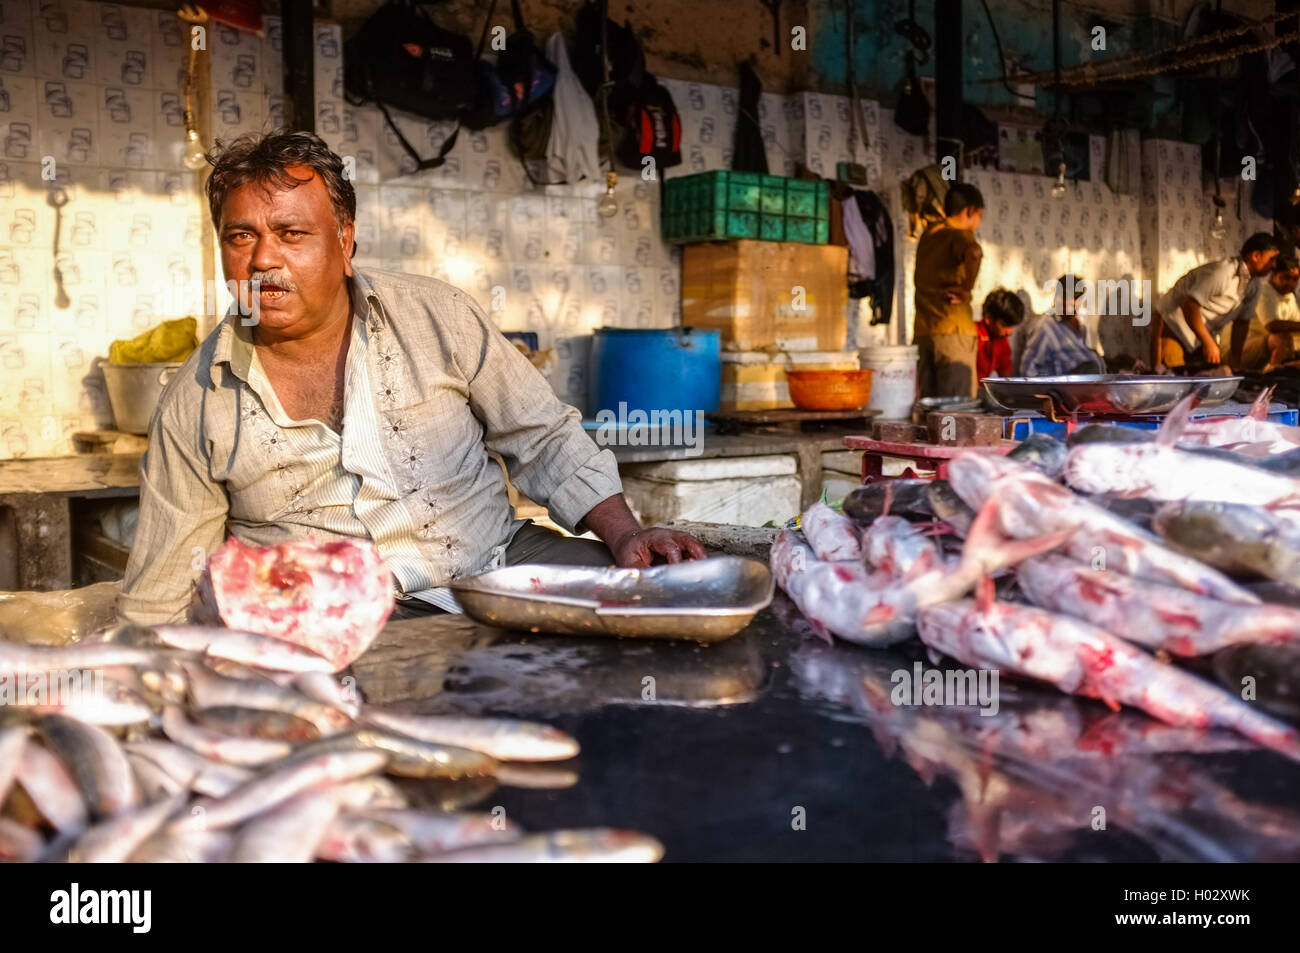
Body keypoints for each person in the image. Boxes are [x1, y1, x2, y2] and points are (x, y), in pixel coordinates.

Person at [118, 131, 706, 625]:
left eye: (292, 234)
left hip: (494, 566)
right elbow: (165, 587)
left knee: (669, 609)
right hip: (326, 621)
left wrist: (625, 533)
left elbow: (543, 437)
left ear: (345, 242)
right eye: (241, 236)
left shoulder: (437, 315)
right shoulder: (194, 401)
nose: (263, 259)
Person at [1150, 232, 1280, 370]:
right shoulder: (1223, 271)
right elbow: (1189, 304)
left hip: (1198, 338)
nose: (1274, 265)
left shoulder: (1254, 285)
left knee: (1207, 381)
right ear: (1256, 256)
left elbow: (1241, 324)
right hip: (1173, 327)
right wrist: (1208, 343)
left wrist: (1235, 362)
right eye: (1272, 259)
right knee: (1172, 381)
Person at [912, 182, 984, 398]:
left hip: (924, 332)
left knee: (928, 409)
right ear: (969, 211)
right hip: (953, 333)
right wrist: (966, 289)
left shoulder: (929, 234)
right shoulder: (960, 234)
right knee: (956, 410)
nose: (978, 222)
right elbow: (974, 253)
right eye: (979, 215)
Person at [1018, 274, 1105, 377]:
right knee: (1091, 367)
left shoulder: (1082, 323)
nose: (1068, 309)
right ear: (1056, 298)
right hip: (1062, 387)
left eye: (1073, 305)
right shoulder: (1044, 327)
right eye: (1064, 304)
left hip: (1090, 384)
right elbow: (1028, 370)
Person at [1237, 255, 1300, 370]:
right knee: (1282, 338)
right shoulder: (1263, 290)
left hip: (1266, 348)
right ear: (1273, 275)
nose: (1290, 283)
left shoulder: (1289, 295)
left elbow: (1296, 325)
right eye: (1285, 277)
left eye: (1295, 279)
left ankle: (1284, 372)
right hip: (1241, 350)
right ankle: (1273, 376)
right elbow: (1272, 325)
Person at [976, 289, 1023, 379]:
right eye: (1004, 325)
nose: (1009, 331)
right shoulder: (973, 336)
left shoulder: (1001, 341)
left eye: (1011, 326)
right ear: (988, 318)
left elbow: (1006, 375)